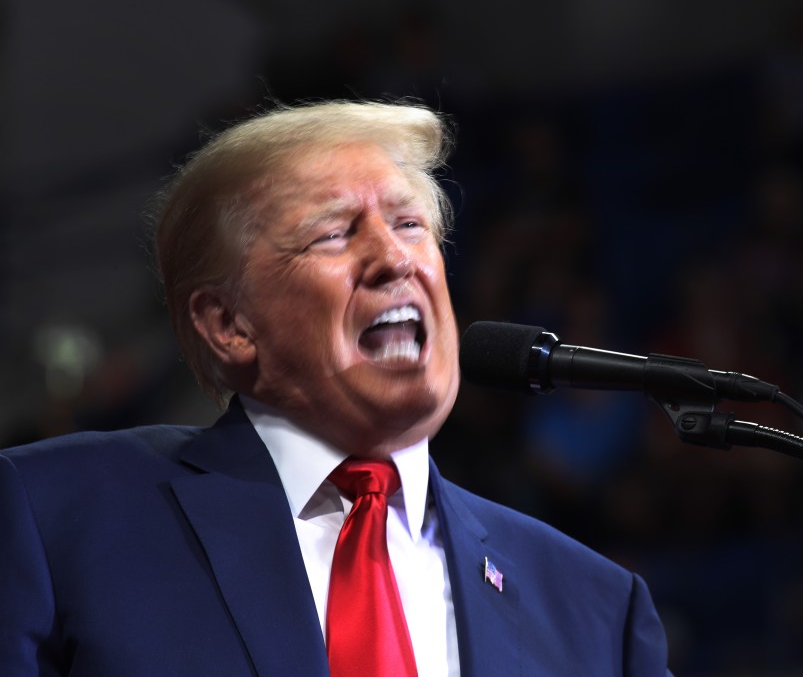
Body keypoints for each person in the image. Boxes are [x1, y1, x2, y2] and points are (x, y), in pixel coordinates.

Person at [0, 100, 669, 675]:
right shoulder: (54, 518)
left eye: (410, 225)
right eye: (334, 233)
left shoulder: (597, 610)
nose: (395, 257)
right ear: (229, 325)